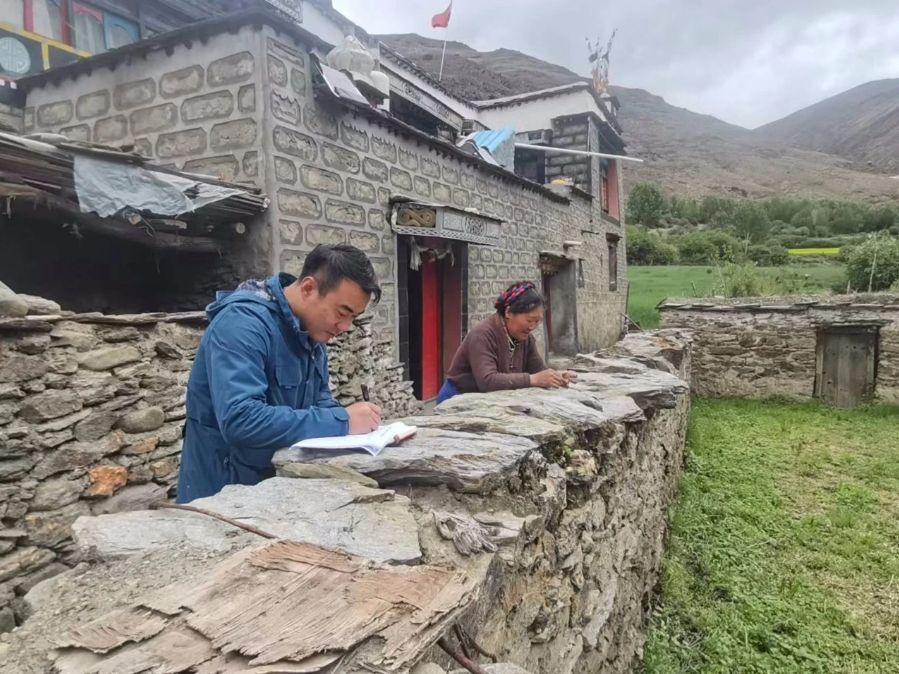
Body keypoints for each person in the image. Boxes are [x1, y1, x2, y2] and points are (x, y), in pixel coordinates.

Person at [176, 244, 383, 503]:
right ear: (308, 288)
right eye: (342, 313)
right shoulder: (242, 324)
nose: (345, 326)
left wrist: (356, 426)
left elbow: (319, 399)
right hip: (222, 495)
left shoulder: (310, 333)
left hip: (274, 490)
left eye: (354, 317)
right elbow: (241, 419)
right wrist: (342, 421)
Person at [437, 281, 577, 404]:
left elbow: (537, 370)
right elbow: (487, 381)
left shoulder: (525, 338)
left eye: (537, 321)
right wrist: (532, 379)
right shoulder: (482, 335)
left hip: (488, 401)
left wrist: (554, 376)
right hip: (457, 398)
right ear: (508, 312)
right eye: (529, 320)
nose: (533, 327)